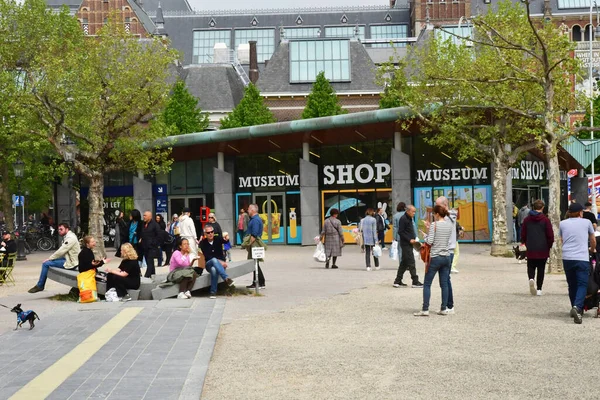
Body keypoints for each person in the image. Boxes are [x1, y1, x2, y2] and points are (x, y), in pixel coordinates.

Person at [560, 202, 596, 324]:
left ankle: (575, 307)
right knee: (582, 284)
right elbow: (592, 239)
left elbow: (561, 240)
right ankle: (577, 307)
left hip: (567, 257)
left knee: (572, 284)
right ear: (580, 212)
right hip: (582, 257)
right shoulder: (587, 223)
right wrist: (592, 249)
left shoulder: (562, 224)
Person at [414, 205, 453, 316]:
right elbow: (445, 240)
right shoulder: (449, 225)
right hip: (446, 256)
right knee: (444, 284)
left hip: (435, 257)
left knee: (427, 283)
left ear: (436, 214)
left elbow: (430, 242)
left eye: (433, 214)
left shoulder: (434, 225)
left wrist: (425, 235)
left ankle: (425, 309)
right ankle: (443, 308)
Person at [28, 223, 81, 293]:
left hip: (71, 262)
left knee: (46, 264)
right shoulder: (69, 236)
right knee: (49, 262)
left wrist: (50, 258)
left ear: (67, 229)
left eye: (61, 229)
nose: (59, 231)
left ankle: (40, 285)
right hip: (69, 260)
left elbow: (61, 251)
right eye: (58, 229)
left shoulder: (70, 238)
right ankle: (40, 285)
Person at [520, 199, 554, 296]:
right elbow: (550, 235)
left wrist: (524, 242)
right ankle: (539, 289)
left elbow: (523, 234)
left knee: (530, 265)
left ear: (533, 207)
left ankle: (531, 278)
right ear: (542, 208)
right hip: (543, 247)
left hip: (531, 246)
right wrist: (549, 245)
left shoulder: (527, 220)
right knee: (541, 268)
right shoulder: (545, 220)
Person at [430, 196, 457, 313]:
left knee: (445, 280)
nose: (436, 208)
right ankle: (447, 305)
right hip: (447, 250)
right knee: (446, 280)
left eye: (438, 205)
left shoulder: (448, 216)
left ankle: (448, 305)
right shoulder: (449, 216)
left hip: (446, 250)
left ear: (445, 205)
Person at [200, 226, 234, 299]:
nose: (210, 234)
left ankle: (213, 292)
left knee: (214, 270)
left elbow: (226, 241)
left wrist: (227, 239)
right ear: (205, 234)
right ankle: (226, 278)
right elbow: (208, 257)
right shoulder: (203, 243)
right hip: (209, 263)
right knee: (214, 260)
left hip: (218, 265)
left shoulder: (218, 239)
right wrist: (221, 262)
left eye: (212, 232)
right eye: (208, 232)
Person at [394, 205, 423, 288]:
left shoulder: (409, 218)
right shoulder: (403, 219)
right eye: (413, 211)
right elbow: (401, 232)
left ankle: (397, 281)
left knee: (404, 262)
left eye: (415, 212)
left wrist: (414, 237)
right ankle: (415, 281)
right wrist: (409, 239)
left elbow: (410, 230)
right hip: (406, 243)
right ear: (408, 211)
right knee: (411, 262)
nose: (414, 213)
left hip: (410, 243)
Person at [246, 204, 266, 289]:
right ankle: (258, 282)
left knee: (254, 263)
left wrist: (248, 244)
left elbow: (254, 234)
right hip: (255, 243)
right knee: (255, 263)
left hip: (254, 244)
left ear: (253, 210)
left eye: (249, 209)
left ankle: (259, 282)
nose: (248, 210)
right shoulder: (256, 219)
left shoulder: (255, 220)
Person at [140, 210, 161, 278]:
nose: (144, 217)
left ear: (150, 216)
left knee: (149, 262)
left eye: (145, 215)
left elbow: (159, 236)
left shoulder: (155, 225)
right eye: (143, 215)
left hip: (152, 247)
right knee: (149, 262)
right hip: (144, 246)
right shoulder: (143, 224)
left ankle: (146, 276)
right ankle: (153, 275)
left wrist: (153, 243)